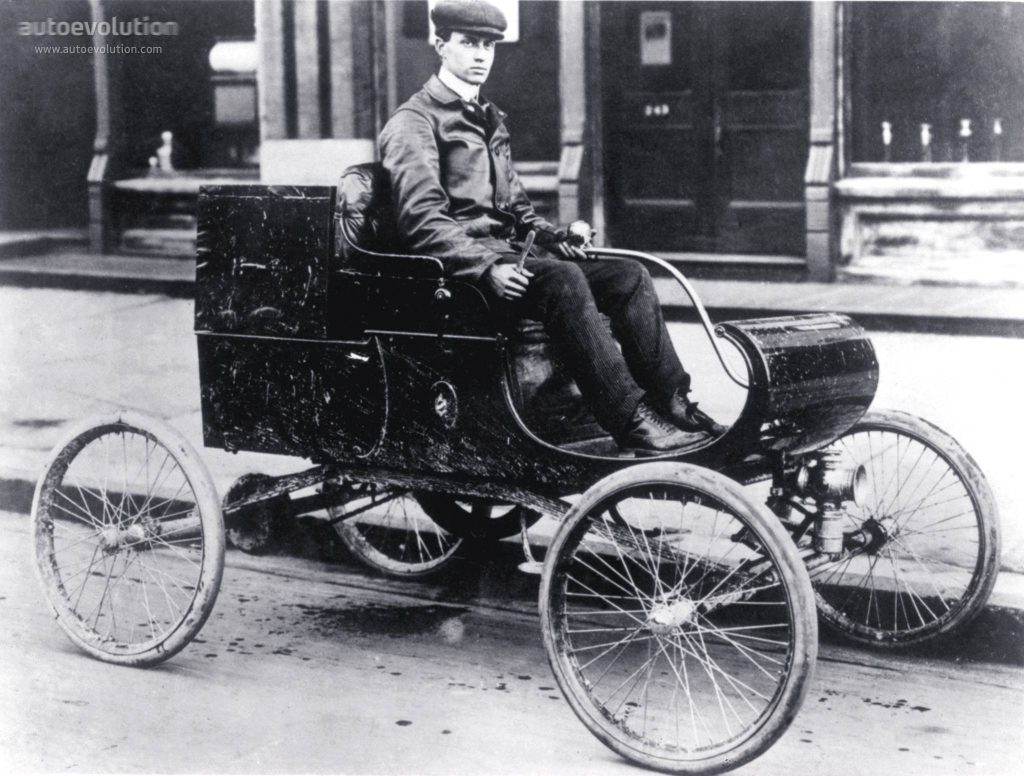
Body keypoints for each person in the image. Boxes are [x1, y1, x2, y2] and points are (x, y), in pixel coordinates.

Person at [378, 0, 724, 455]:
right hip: (460, 277)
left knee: (629, 276)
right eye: (468, 43)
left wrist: (557, 237)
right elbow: (421, 222)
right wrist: (486, 268)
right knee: (562, 279)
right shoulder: (414, 122)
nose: (481, 55)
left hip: (510, 260)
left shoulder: (487, 117)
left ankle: (672, 403)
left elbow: (518, 210)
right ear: (441, 45)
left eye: (488, 46)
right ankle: (630, 419)